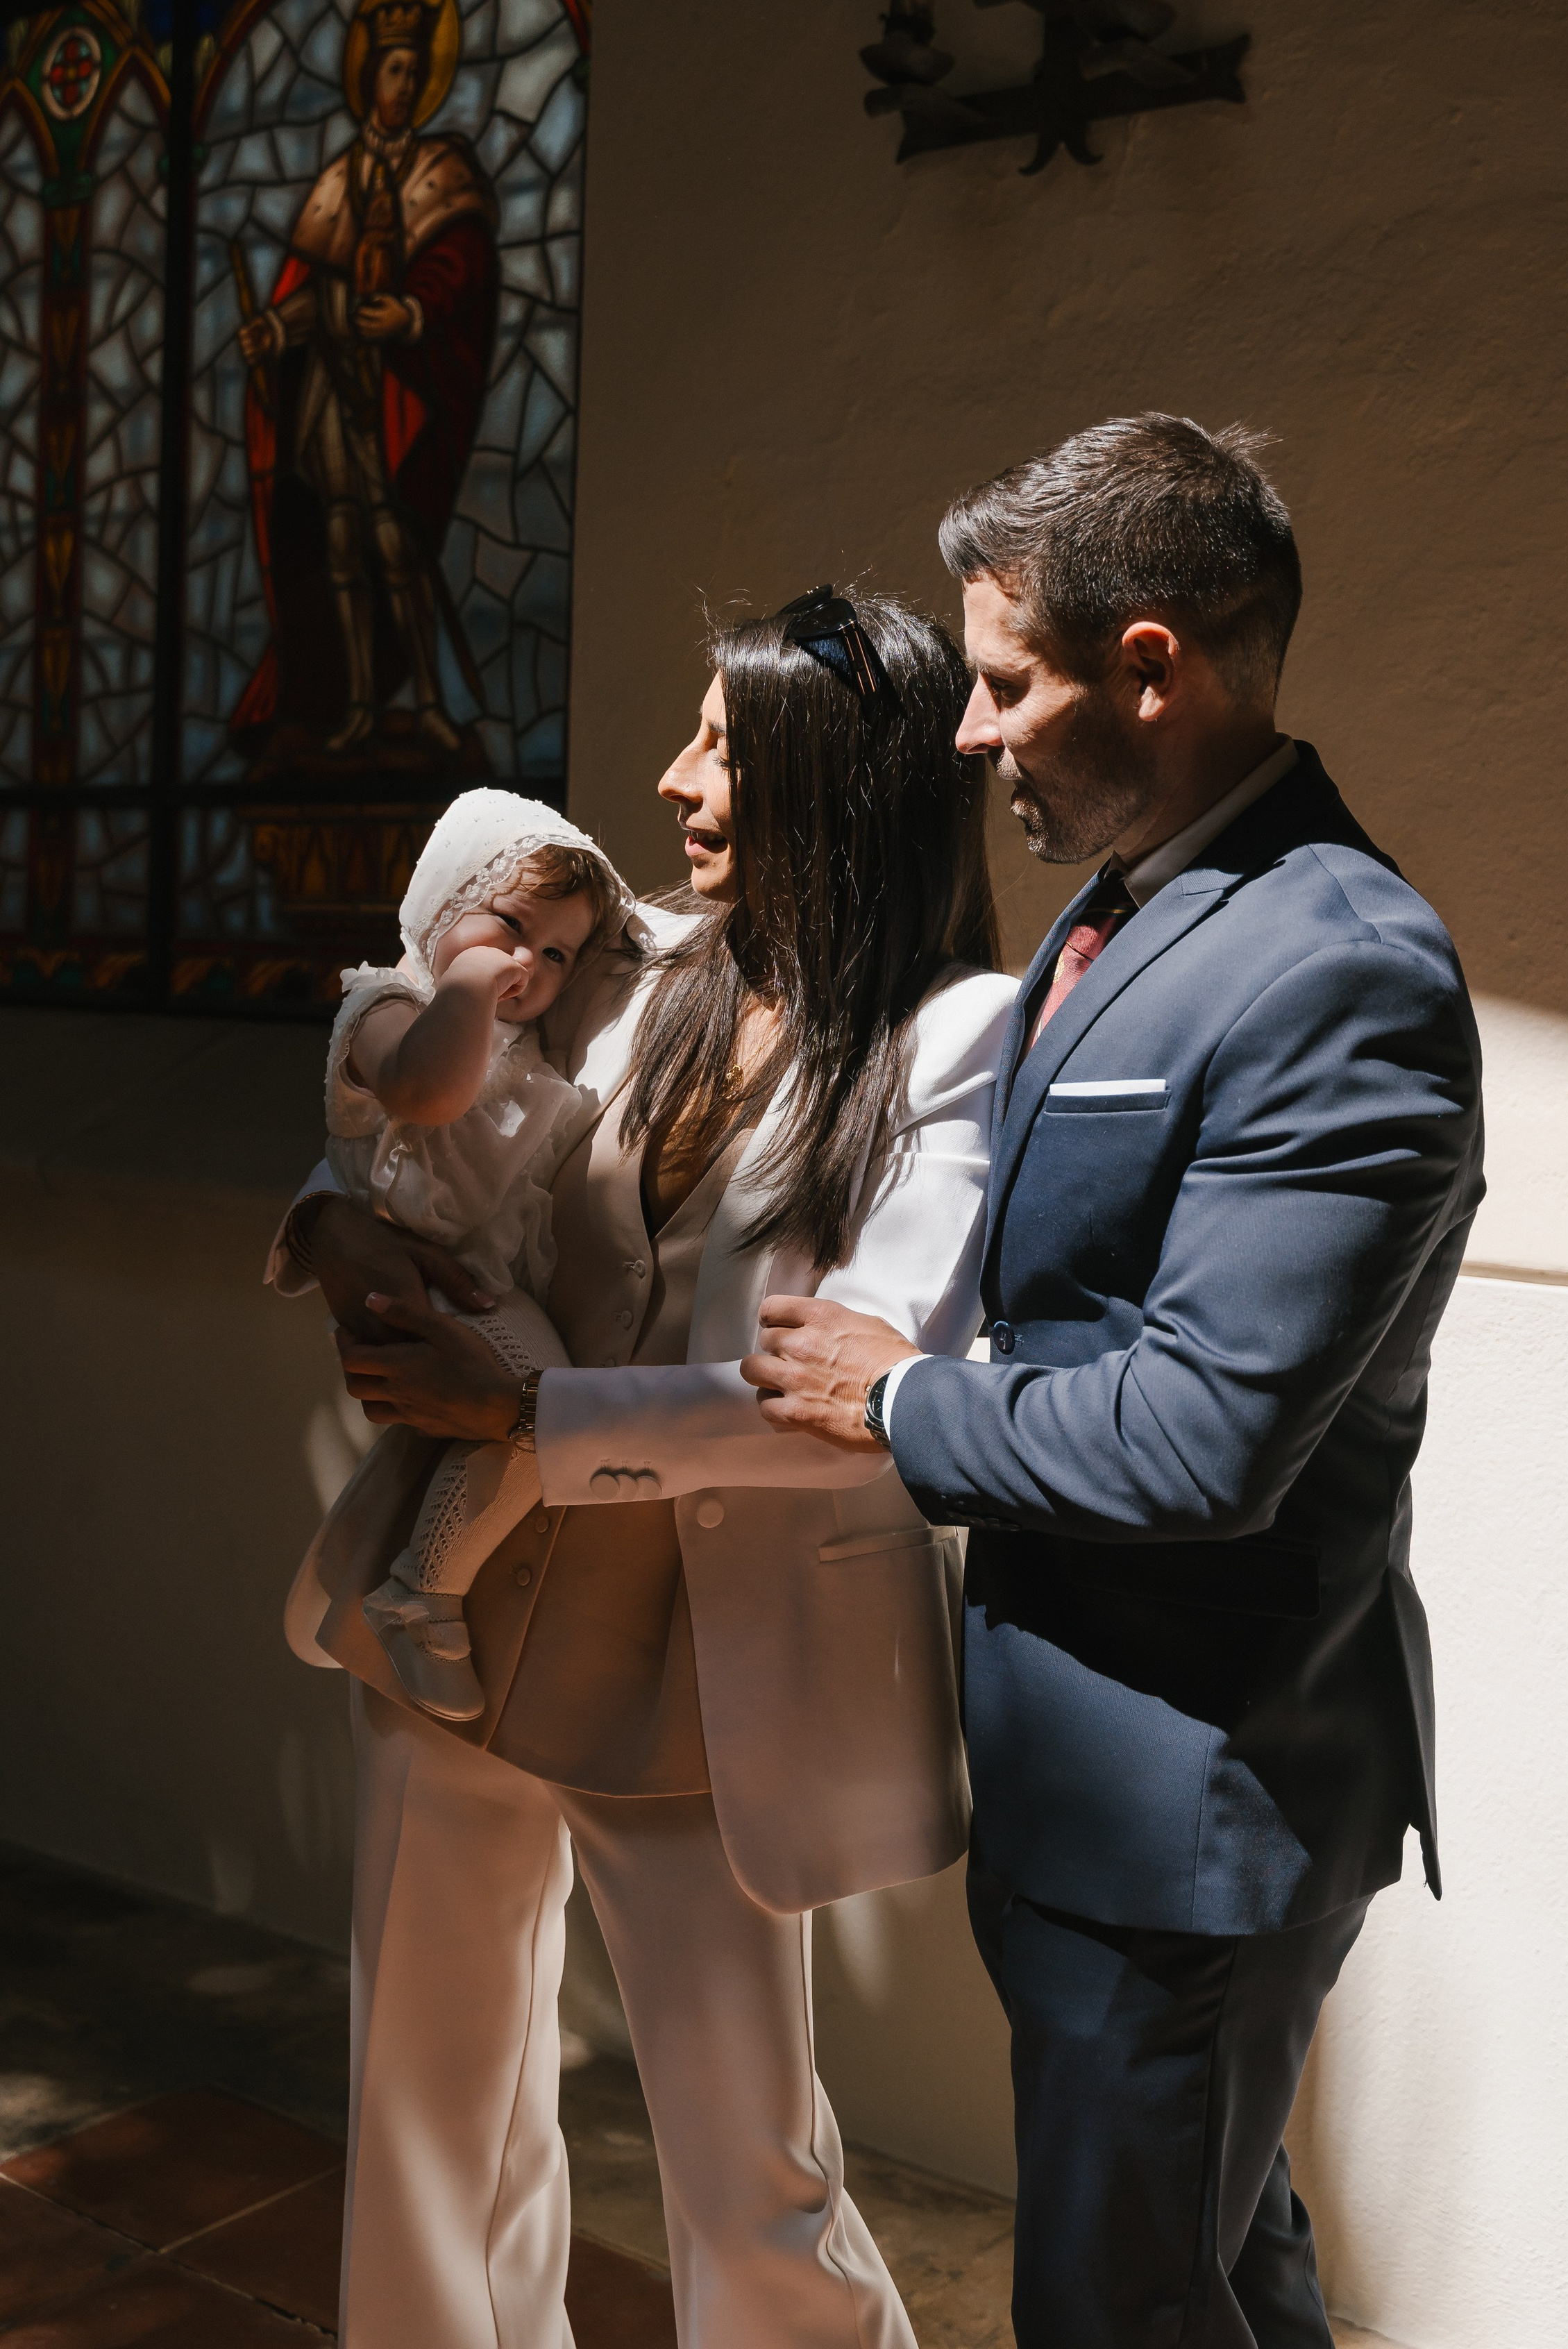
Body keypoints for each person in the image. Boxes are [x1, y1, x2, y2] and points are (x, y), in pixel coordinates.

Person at [741, 418, 1486, 2349]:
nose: (974, 736)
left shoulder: (1345, 968)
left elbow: (1203, 1437)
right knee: (1214, 2263)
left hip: (1198, 1794)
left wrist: (900, 1400)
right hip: (1081, 1764)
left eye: (1006, 685)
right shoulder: (1128, 896)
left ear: (1149, 666)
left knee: (1110, 2310)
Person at [274, 588, 1018, 2349]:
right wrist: (331, 1231)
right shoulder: (639, 960)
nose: (675, 778)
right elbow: (417, 1101)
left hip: (709, 1664)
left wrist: (530, 1416)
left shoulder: (955, 1034)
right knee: (423, 2117)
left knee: (749, 2167)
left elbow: (843, 1388)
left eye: (723, 747)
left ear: (832, 785)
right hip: (455, 1613)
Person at [321, 787, 623, 1722]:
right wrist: (466, 983)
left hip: (480, 1281)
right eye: (509, 925)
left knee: (539, 1419)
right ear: (446, 900)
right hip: (418, 1272)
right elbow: (426, 1092)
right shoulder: (386, 1001)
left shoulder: (515, 1040)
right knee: (544, 1411)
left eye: (557, 953)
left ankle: (427, 1585)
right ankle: (422, 1592)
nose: (526, 962)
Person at [233, 0, 496, 762]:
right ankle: (355, 703)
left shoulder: (439, 169)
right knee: (344, 539)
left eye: (417, 72)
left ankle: (424, 699)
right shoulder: (338, 180)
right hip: (330, 392)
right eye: (394, 70)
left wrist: (412, 312)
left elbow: (462, 266)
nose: (406, 85)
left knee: (395, 543)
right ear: (366, 78)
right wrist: (275, 333)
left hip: (393, 395)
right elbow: (309, 289)